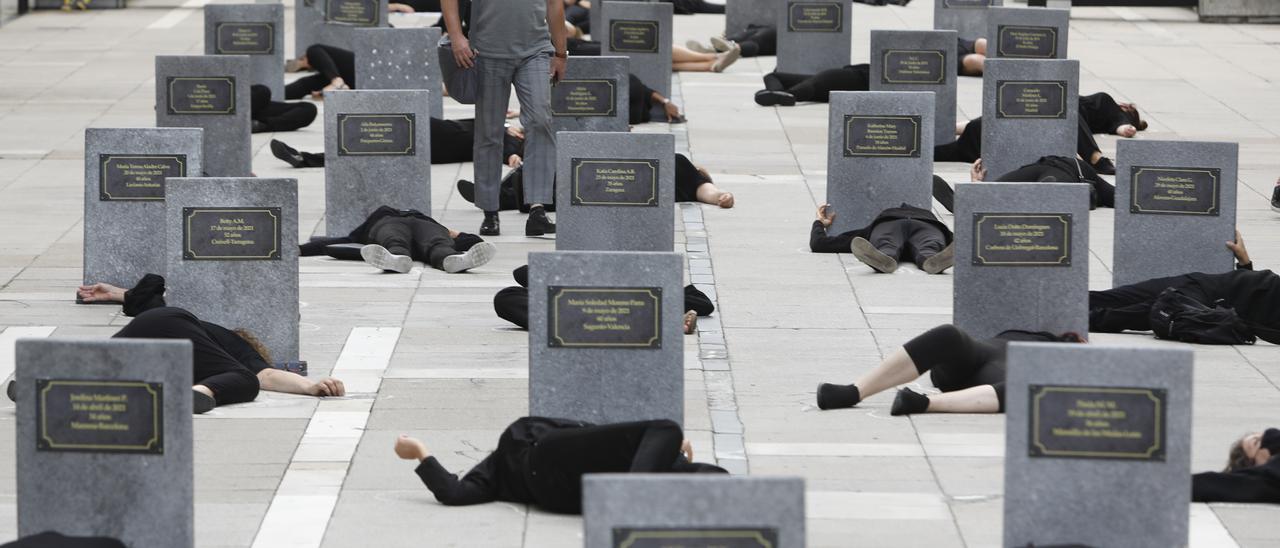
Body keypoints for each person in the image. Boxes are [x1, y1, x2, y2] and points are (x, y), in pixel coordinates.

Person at [62, 274, 346, 414]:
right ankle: (197, 393)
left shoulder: (199, 349)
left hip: (147, 329)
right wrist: (310, 387)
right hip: (171, 321)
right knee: (246, 380)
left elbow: (153, 283)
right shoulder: (235, 349)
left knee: (106, 370)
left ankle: (46, 383)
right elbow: (267, 377)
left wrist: (120, 294)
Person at [395, 416, 727, 514]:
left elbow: (454, 493)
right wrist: (419, 451)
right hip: (553, 460)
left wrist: (422, 453)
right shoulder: (498, 462)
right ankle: (635, 495)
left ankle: (639, 493)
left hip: (567, 488)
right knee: (665, 429)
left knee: (687, 465)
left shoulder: (493, 471)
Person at [442, 0, 566, 237]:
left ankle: (538, 209)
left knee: (541, 121)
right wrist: (457, 37)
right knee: (490, 132)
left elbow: (555, 4)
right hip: (487, 51)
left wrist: (561, 52)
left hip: (536, 50)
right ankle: (490, 210)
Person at [815, 324, 1084, 415]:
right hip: (981, 353)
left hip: (998, 379)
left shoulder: (1071, 368)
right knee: (949, 334)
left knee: (1029, 388)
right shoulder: (1042, 335)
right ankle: (853, 391)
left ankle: (922, 404)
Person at [1088, 230, 1280, 344]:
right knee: (1108, 298)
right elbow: (1265, 298)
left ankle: (1077, 320)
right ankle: (1067, 307)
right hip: (1204, 283)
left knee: (1151, 311)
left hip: (1207, 307)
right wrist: (1245, 264)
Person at [456, 153, 735, 212]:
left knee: (549, 181)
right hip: (613, 180)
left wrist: (722, 196)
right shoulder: (678, 164)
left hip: (613, 182)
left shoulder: (684, 166)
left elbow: (707, 192)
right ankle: (499, 193)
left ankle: (497, 193)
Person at [493, 266, 715, 334]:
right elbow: (521, 273)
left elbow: (704, 304)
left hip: (612, 304)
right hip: (570, 303)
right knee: (505, 297)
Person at [300, 206, 496, 274]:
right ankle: (396, 258)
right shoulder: (383, 216)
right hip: (390, 225)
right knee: (395, 240)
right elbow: (338, 242)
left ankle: (454, 261)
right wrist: (299, 249)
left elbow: (475, 242)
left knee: (439, 243)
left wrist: (453, 233)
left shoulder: (425, 220)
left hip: (426, 228)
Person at [268, 119, 524, 168]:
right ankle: (306, 158)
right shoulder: (503, 128)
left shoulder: (512, 139)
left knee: (376, 143)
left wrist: (510, 155)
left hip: (438, 139)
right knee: (372, 147)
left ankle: (307, 158)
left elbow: (507, 150)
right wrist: (502, 124)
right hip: (437, 134)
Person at [810, 203, 955, 275]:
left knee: (885, 245)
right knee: (929, 247)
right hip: (929, 227)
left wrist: (820, 223)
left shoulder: (882, 221)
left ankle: (885, 257)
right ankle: (931, 260)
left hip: (888, 225)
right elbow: (970, 240)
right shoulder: (930, 220)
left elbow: (819, 244)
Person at [1192, 428, 1280, 503]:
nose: (1269, 434)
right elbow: (1213, 483)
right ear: (1256, 464)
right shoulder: (1266, 478)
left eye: (1262, 435)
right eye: (1256, 442)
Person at [285, 44, 354, 100]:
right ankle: (276, 94)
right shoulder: (330, 72)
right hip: (348, 81)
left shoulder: (316, 53)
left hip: (355, 70)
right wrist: (321, 93)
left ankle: (337, 81)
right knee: (306, 83)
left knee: (313, 50)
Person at [250, 84, 317, 133]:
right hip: (245, 104)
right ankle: (248, 123)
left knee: (309, 108)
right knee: (262, 91)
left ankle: (260, 125)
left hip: (255, 110)